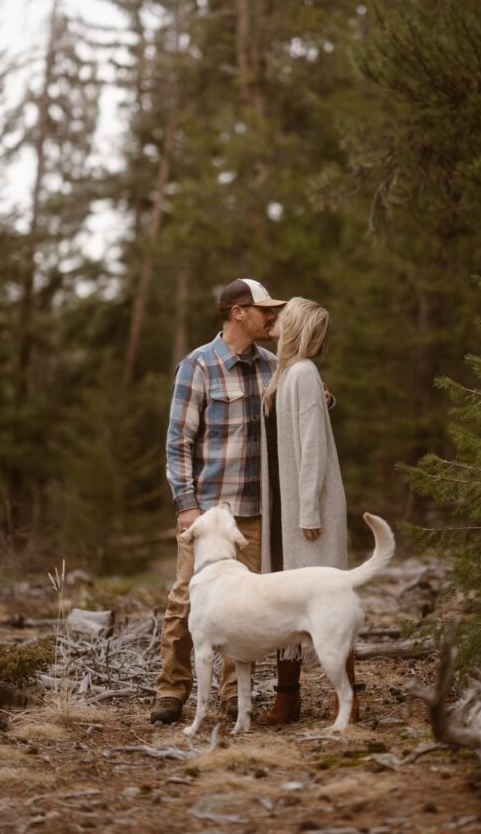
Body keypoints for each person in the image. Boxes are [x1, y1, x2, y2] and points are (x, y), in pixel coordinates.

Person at [150, 277, 285, 725]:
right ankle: (171, 691)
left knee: (245, 607)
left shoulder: (274, 364)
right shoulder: (198, 366)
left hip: (258, 510)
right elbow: (178, 442)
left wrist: (326, 398)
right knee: (185, 600)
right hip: (208, 515)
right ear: (237, 312)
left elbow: (303, 408)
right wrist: (187, 505)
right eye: (264, 309)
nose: (273, 317)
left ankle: (233, 698)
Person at [259, 296, 359, 726]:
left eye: (282, 315)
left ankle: (347, 704)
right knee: (287, 604)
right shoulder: (286, 372)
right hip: (284, 506)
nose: (274, 319)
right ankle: (288, 699)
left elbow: (313, 446)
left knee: (327, 603)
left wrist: (309, 512)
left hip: (306, 510)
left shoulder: (301, 372)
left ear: (295, 324)